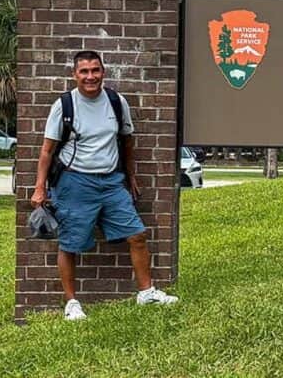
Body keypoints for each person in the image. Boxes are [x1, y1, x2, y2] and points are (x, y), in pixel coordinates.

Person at [30, 50, 179, 320]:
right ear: (75, 74)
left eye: (95, 70)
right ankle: (72, 304)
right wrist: (40, 187)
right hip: (74, 182)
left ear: (103, 72)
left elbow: (127, 141)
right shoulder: (64, 105)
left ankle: (146, 293)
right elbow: (47, 150)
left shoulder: (116, 101)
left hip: (112, 182)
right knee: (70, 243)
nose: (90, 77)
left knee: (136, 235)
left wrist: (130, 176)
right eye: (84, 71)